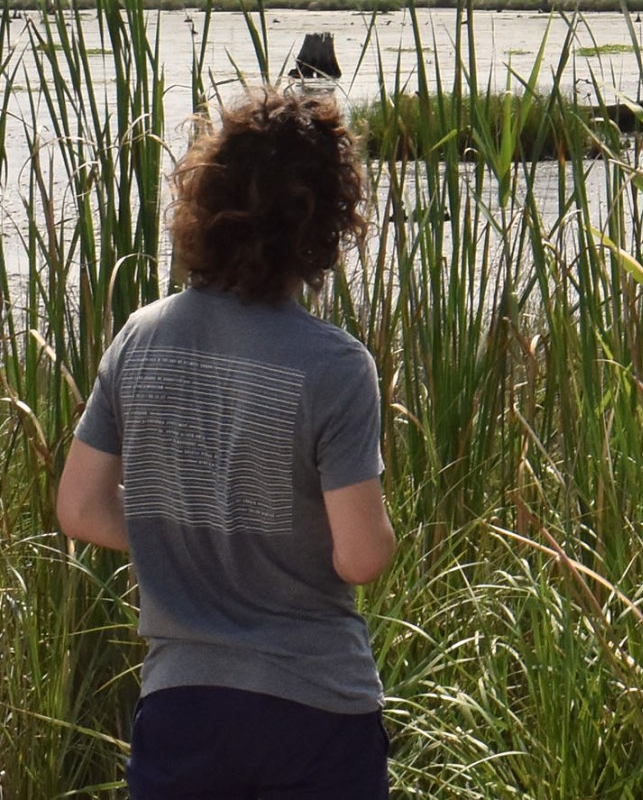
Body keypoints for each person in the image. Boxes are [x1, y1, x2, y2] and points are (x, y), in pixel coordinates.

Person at [55, 89, 396, 799]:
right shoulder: (333, 365)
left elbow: (81, 508)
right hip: (316, 711)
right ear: (326, 221)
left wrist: (176, 527)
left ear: (205, 204)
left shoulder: (139, 339)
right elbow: (360, 556)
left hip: (182, 708)